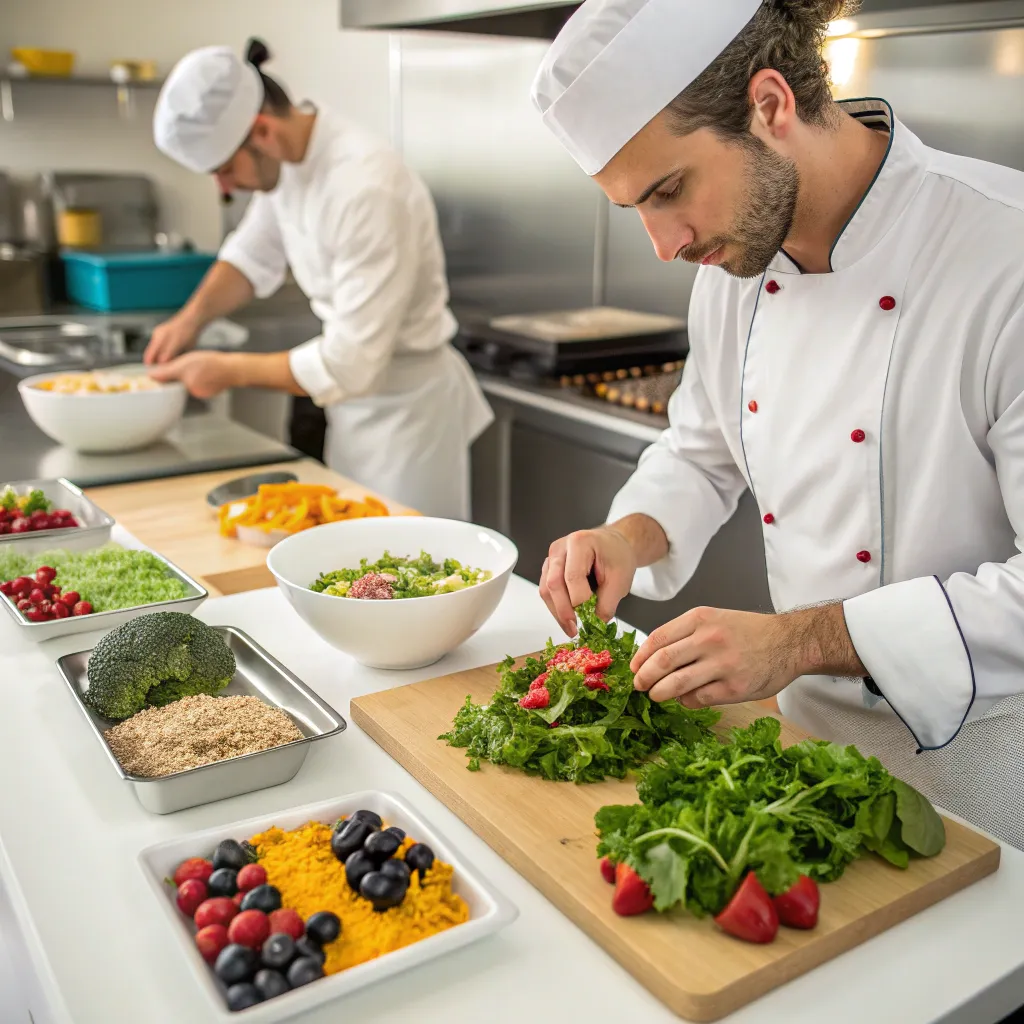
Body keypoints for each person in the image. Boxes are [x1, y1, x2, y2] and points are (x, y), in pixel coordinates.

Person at [532, 0, 1024, 849]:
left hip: (989, 773)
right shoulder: (733, 266)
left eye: (668, 190)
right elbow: (703, 445)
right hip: (804, 758)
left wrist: (798, 641)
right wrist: (628, 537)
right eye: (634, 210)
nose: (662, 243)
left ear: (770, 105)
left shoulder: (1002, 253)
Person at [146, 40, 493, 519]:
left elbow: (350, 364)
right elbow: (251, 254)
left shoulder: (366, 186)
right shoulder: (288, 164)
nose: (224, 189)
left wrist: (227, 369)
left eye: (225, 170)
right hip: (353, 411)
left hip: (408, 418)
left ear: (261, 130)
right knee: (358, 569)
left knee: (415, 571)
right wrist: (189, 322)